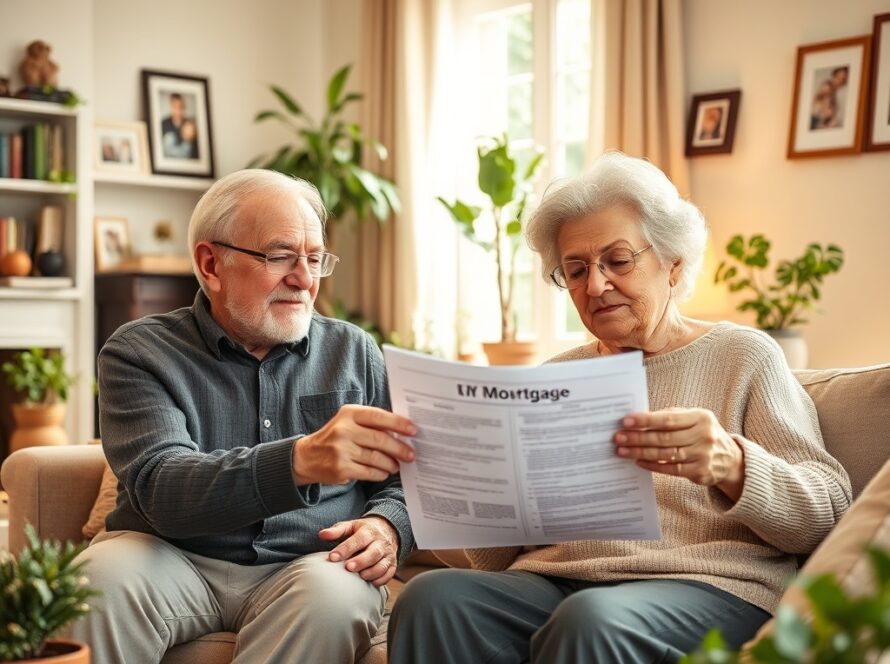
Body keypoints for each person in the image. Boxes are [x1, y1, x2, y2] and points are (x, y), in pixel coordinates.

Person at [387, 152, 852, 663]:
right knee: (434, 599)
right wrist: (469, 478)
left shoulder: (743, 355)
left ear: (673, 263)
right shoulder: (553, 377)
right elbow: (492, 560)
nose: (597, 284)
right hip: (556, 581)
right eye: (577, 269)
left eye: (618, 260)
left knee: (590, 620)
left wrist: (733, 464)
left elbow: (829, 511)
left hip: (707, 586)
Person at [71, 169, 417, 663]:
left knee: (336, 598)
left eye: (315, 259)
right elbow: (162, 488)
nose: (303, 279)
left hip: (312, 562)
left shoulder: (354, 351)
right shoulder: (140, 351)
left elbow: (408, 480)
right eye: (279, 256)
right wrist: (300, 461)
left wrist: (388, 526)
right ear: (211, 264)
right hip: (168, 555)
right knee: (99, 583)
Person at [161, 92, 199, 159]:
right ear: (171, 106)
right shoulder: (163, 124)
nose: (178, 110)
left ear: (184, 107)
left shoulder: (189, 124)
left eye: (180, 107)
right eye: (175, 106)